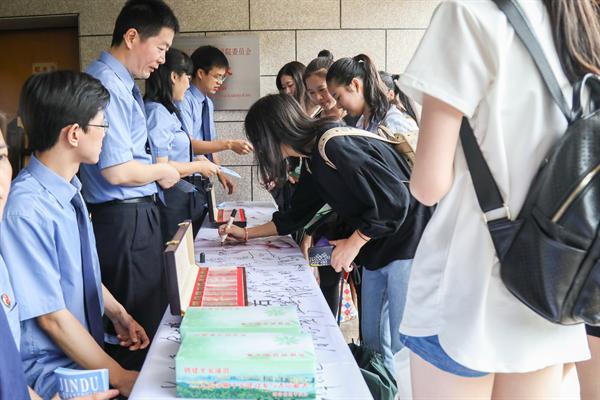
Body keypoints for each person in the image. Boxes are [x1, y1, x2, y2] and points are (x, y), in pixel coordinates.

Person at [396, 0, 599, 398]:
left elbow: (428, 185)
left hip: (465, 286)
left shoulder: (466, 13)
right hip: (552, 285)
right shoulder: (580, 18)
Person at [219, 93, 430, 374]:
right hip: (378, 245)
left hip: (408, 240)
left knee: (403, 342)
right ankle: (384, 389)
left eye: (259, 141)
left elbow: (395, 200)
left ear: (272, 134)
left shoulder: (332, 145)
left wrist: (354, 243)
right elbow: (296, 216)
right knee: (373, 342)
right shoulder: (312, 157)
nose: (260, 150)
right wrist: (246, 234)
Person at [0, 71, 149, 399]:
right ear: (74, 133)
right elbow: (51, 318)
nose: (106, 134)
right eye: (102, 124)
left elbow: (80, 272)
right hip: (52, 371)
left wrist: (118, 313)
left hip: (85, 354)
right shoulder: (26, 209)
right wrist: (120, 377)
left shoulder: (69, 190)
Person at [80, 0, 181, 371]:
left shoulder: (122, 83)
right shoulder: (106, 84)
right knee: (134, 330)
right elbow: (117, 170)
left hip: (134, 217)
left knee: (147, 319)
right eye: (161, 48)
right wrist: (162, 172)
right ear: (132, 36)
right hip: (123, 221)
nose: (162, 60)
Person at [145, 48, 220, 241]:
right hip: (169, 198)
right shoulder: (157, 112)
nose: (189, 84)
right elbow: (160, 168)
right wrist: (198, 166)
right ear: (174, 77)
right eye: (188, 77)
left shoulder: (167, 111)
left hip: (179, 194)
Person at [178, 45, 253, 197]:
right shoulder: (184, 99)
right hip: (184, 176)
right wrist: (229, 144)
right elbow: (188, 145)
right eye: (217, 76)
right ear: (200, 73)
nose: (220, 82)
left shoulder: (208, 103)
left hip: (203, 175)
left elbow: (210, 143)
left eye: (223, 77)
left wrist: (220, 172)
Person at [326, 54, 417, 133]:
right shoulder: (362, 122)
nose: (338, 106)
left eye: (338, 97)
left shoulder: (393, 123)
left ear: (355, 85)